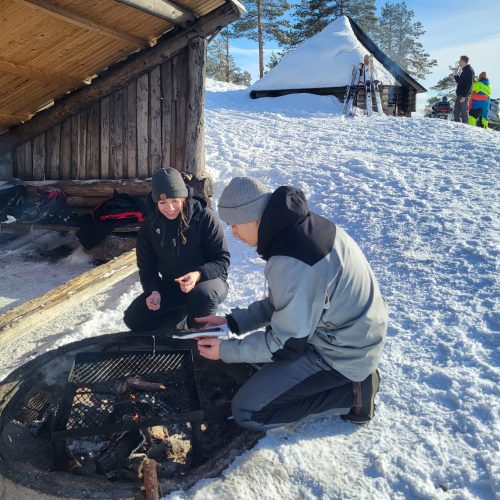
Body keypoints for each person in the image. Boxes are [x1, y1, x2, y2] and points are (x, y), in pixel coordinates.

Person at [195, 177, 388, 431]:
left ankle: (352, 395)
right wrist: (232, 322)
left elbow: (286, 344)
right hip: (340, 332)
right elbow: (285, 303)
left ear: (253, 217)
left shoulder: (293, 259)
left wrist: (226, 351)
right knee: (256, 361)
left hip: (343, 353)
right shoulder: (295, 229)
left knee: (247, 411)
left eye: (234, 224)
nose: (234, 233)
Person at [123, 167, 230, 331]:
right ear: (155, 202)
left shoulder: (203, 217)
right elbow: (147, 268)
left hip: (207, 282)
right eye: (162, 202)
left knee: (201, 295)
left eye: (175, 200)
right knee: (134, 317)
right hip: (172, 285)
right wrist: (154, 291)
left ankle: (197, 335)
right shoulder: (149, 226)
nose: (170, 208)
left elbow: (222, 260)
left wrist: (197, 274)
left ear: (184, 197)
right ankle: (176, 325)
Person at [453, 55, 475, 123]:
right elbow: (460, 82)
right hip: (460, 94)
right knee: (456, 111)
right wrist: (455, 75)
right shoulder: (465, 70)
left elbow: (469, 84)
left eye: (460, 62)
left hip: (464, 95)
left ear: (463, 61)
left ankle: (465, 128)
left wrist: (464, 96)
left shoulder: (469, 70)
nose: (459, 63)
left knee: (464, 112)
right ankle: (457, 127)